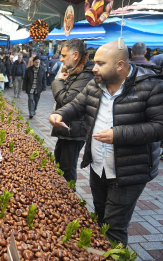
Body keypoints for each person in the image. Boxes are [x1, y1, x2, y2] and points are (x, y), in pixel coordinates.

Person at [49, 40, 163, 246]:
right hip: (99, 166)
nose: (94, 68)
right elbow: (77, 105)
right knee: (100, 218)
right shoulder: (95, 84)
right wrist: (60, 114)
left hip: (129, 171)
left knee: (114, 227)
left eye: (100, 63)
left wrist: (119, 134)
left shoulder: (153, 86)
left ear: (120, 65)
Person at [51, 38, 94, 186]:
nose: (61, 59)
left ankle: (69, 200)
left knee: (67, 169)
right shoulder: (76, 73)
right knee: (60, 163)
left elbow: (67, 101)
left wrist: (58, 82)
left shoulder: (86, 75)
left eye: (64, 55)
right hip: (68, 129)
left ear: (75, 55)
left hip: (74, 130)